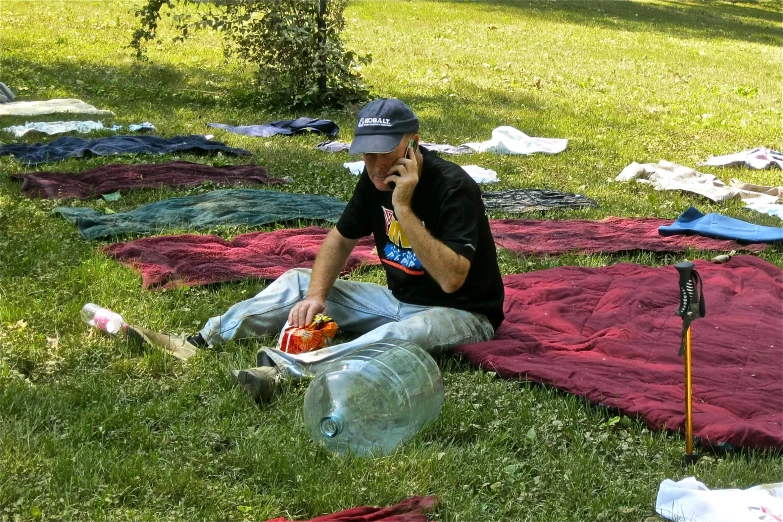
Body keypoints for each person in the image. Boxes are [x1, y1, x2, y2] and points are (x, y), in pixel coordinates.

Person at [140, 98, 505, 403]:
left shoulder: (454, 187)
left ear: (413, 143)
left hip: (462, 314)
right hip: (398, 301)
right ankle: (200, 340)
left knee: (406, 335)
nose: (377, 164)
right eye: (367, 153)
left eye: (386, 151)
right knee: (299, 282)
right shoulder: (374, 177)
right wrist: (316, 296)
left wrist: (404, 209)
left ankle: (285, 370)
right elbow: (339, 239)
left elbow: (452, 279)